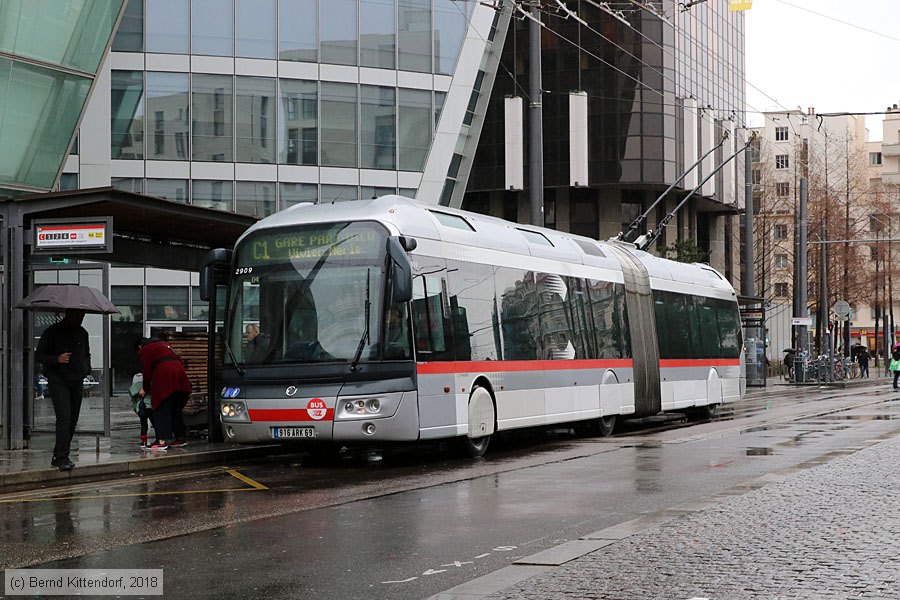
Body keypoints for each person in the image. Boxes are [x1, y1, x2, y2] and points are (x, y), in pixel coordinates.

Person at [36, 309, 91, 471]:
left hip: (77, 379)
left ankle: (60, 453)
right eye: (78, 315)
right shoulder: (52, 332)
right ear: (69, 314)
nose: (81, 319)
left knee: (73, 419)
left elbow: (86, 353)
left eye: (83, 316)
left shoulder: (82, 333)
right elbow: (39, 355)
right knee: (64, 418)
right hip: (58, 379)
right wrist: (56, 359)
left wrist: (86, 368)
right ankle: (61, 457)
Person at [138, 336, 192, 450]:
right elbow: (179, 360)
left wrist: (145, 389)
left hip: (164, 375)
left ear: (139, 347)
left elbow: (147, 372)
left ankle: (161, 440)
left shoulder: (145, 349)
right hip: (179, 373)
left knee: (160, 407)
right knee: (175, 408)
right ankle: (180, 438)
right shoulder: (165, 345)